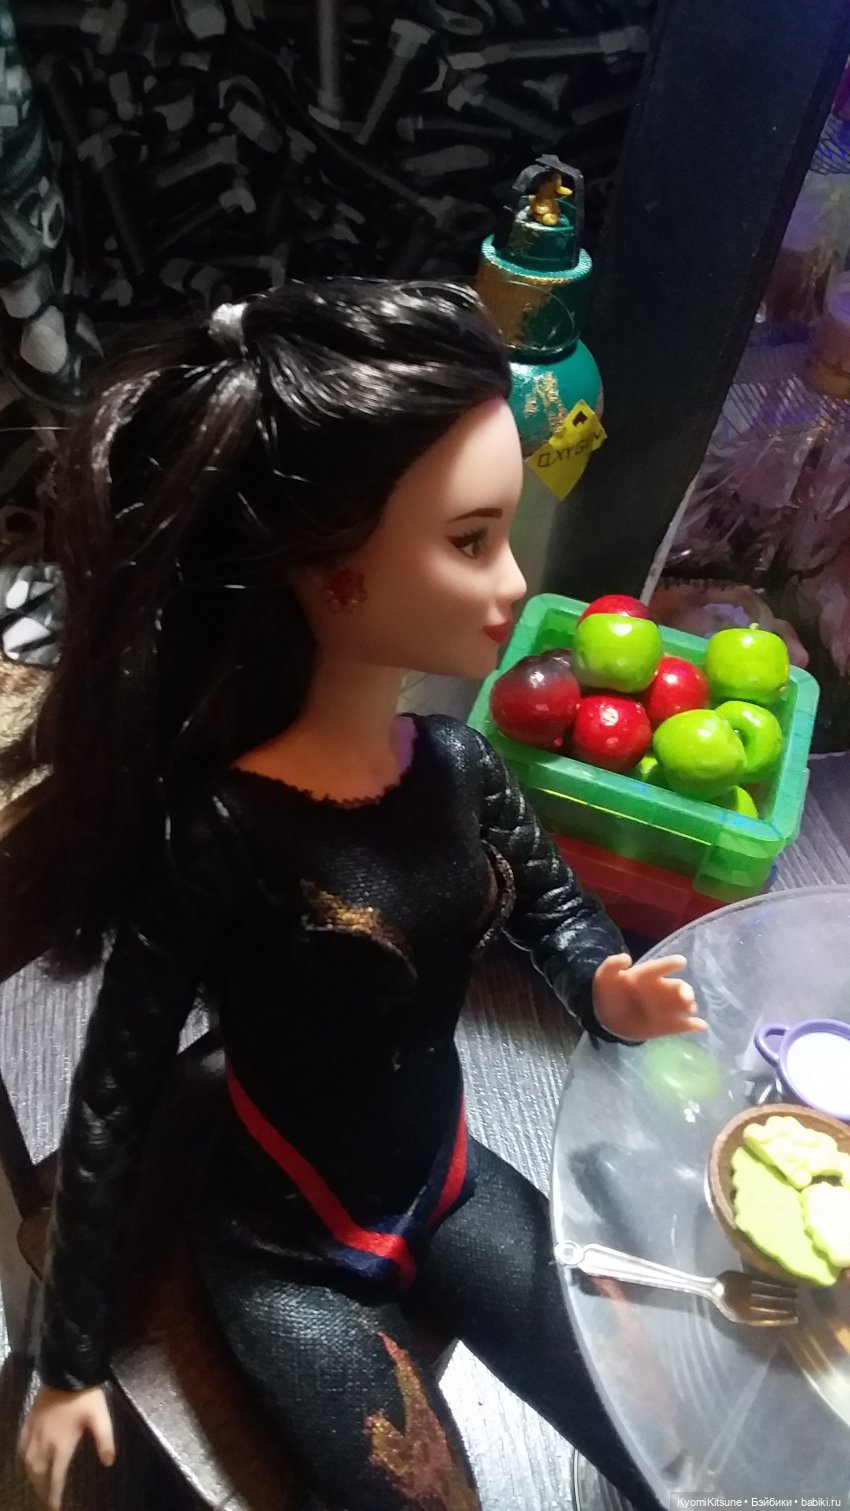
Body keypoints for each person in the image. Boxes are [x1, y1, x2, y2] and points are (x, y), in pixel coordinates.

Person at [3, 280, 704, 1511]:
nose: (511, 584)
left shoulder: (461, 764)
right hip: (290, 1248)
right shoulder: (224, 830)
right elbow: (113, 1085)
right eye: (470, 541)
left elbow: (551, 910)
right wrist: (66, 1360)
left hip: (449, 1174)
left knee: (666, 1434)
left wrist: (608, 987)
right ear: (330, 575)